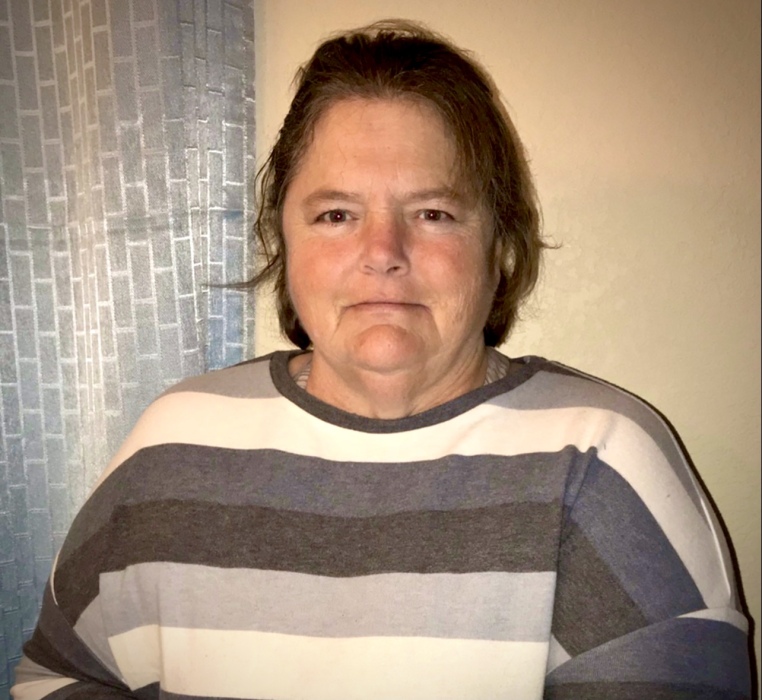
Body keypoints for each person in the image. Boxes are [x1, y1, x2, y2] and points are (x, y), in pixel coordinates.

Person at [13, 19, 751, 700]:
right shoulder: (172, 447)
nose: (383, 254)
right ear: (282, 240)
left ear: (499, 244)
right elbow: (55, 679)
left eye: (433, 213)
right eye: (336, 214)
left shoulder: (603, 464)